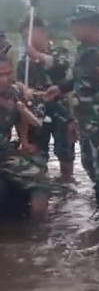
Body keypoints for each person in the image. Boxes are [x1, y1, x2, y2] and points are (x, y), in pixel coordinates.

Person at [45, 5, 99, 206]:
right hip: (85, 124)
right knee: (91, 169)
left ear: (92, 26)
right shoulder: (81, 51)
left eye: (76, 25)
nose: (73, 30)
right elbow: (79, 83)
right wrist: (60, 89)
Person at [16, 16, 76, 181]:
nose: (26, 40)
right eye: (24, 37)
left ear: (42, 33)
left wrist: (37, 54)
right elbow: (20, 86)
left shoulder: (58, 52)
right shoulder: (24, 64)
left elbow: (60, 65)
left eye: (29, 35)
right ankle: (42, 184)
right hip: (36, 112)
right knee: (37, 152)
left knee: (65, 151)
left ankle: (67, 184)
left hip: (60, 110)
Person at [0, 52, 50, 220]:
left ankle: (36, 234)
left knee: (40, 173)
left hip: (5, 153)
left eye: (8, 74)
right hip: (4, 154)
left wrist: (24, 141)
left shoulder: (12, 92)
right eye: (0, 75)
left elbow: (22, 117)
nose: (5, 79)